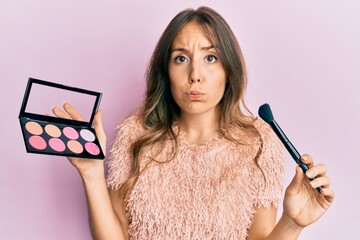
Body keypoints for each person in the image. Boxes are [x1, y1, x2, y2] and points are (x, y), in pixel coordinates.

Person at [52, 6, 334, 240]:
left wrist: (293, 223)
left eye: (210, 57)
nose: (195, 74)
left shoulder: (259, 143)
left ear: (229, 69)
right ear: (167, 71)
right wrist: (91, 173)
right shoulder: (135, 134)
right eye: (181, 58)